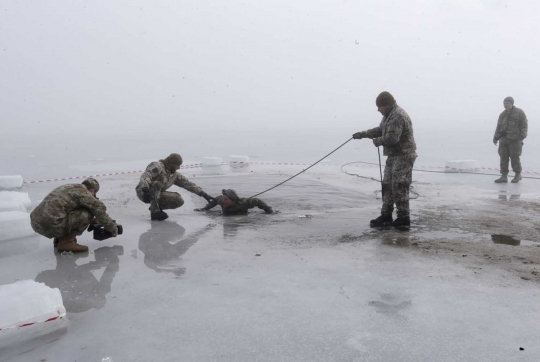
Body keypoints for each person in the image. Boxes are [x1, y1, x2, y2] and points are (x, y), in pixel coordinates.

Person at [353, 91, 417, 229]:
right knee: (387, 185)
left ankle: (403, 218)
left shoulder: (397, 116)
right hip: (394, 156)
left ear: (386, 105)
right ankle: (386, 216)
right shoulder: (388, 116)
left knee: (399, 186)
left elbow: (392, 139)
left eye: (379, 107)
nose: (378, 110)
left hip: (404, 156)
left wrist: (378, 141)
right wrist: (362, 134)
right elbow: (380, 130)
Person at [30, 178, 118, 252]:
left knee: (63, 212)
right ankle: (66, 242)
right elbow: (99, 210)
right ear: (92, 190)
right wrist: (112, 228)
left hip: (36, 222)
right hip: (51, 223)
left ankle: (59, 240)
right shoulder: (84, 192)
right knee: (89, 212)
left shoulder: (71, 188)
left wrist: (93, 221)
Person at [135, 153, 215, 221]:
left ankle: (157, 208)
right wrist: (145, 190)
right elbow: (145, 176)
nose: (178, 167)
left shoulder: (174, 175)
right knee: (157, 184)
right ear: (171, 163)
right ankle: (155, 212)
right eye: (177, 165)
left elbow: (188, 184)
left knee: (178, 200)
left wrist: (204, 195)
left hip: (156, 194)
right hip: (144, 192)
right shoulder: (158, 166)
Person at [493, 96, 528, 183]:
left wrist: (522, 136)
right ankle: (504, 176)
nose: (505, 105)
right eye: (504, 103)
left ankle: (517, 175)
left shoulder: (519, 113)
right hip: (503, 140)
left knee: (515, 158)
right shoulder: (502, 115)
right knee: (503, 158)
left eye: (507, 103)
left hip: (515, 140)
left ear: (512, 104)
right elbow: (498, 127)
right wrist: (496, 137)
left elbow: (524, 125)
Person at [195, 189, 273, 215]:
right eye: (223, 198)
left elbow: (258, 201)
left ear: (233, 200)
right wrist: (204, 209)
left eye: (226, 199)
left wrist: (269, 211)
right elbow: (214, 202)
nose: (223, 201)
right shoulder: (221, 200)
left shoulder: (243, 202)